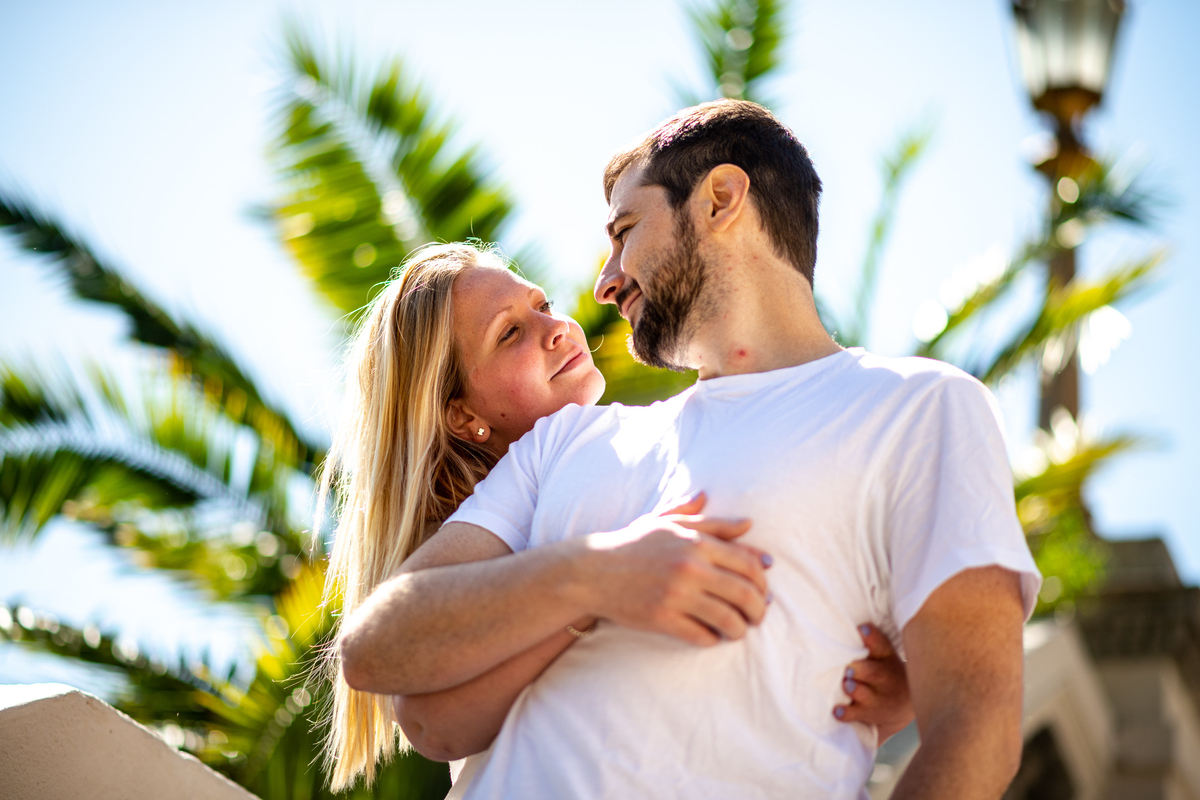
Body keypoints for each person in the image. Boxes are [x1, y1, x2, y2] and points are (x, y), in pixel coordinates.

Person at [340, 100, 1043, 799]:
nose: (604, 282)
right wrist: (601, 573)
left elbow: (976, 731)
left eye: (624, 230)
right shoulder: (567, 438)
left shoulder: (918, 408)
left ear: (720, 199)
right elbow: (377, 647)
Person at [316, 242, 912, 793]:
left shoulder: (631, 445)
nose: (557, 328)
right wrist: (603, 585)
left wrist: (892, 695)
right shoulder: (527, 484)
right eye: (511, 334)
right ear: (462, 415)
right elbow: (428, 717)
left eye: (542, 305)